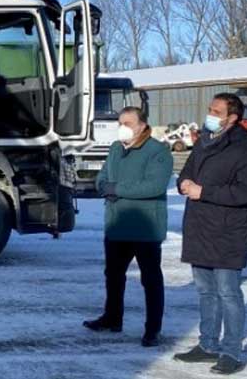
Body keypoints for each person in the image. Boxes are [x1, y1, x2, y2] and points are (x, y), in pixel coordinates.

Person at [173, 93, 247, 375]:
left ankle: (231, 351)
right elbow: (185, 172)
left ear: (232, 117)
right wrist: (184, 182)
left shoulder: (246, 149)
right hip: (199, 227)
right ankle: (208, 344)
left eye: (216, 110)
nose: (210, 114)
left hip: (227, 230)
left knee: (228, 293)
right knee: (205, 292)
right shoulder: (204, 141)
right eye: (209, 109)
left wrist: (204, 192)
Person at [83, 107, 173, 347]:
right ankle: (112, 318)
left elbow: (153, 186)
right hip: (117, 224)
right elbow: (102, 178)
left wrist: (116, 189)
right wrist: (105, 186)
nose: (123, 126)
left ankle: (152, 328)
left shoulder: (158, 151)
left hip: (145, 228)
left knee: (150, 279)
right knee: (113, 276)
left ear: (143, 125)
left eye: (129, 123)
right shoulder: (115, 148)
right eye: (121, 122)